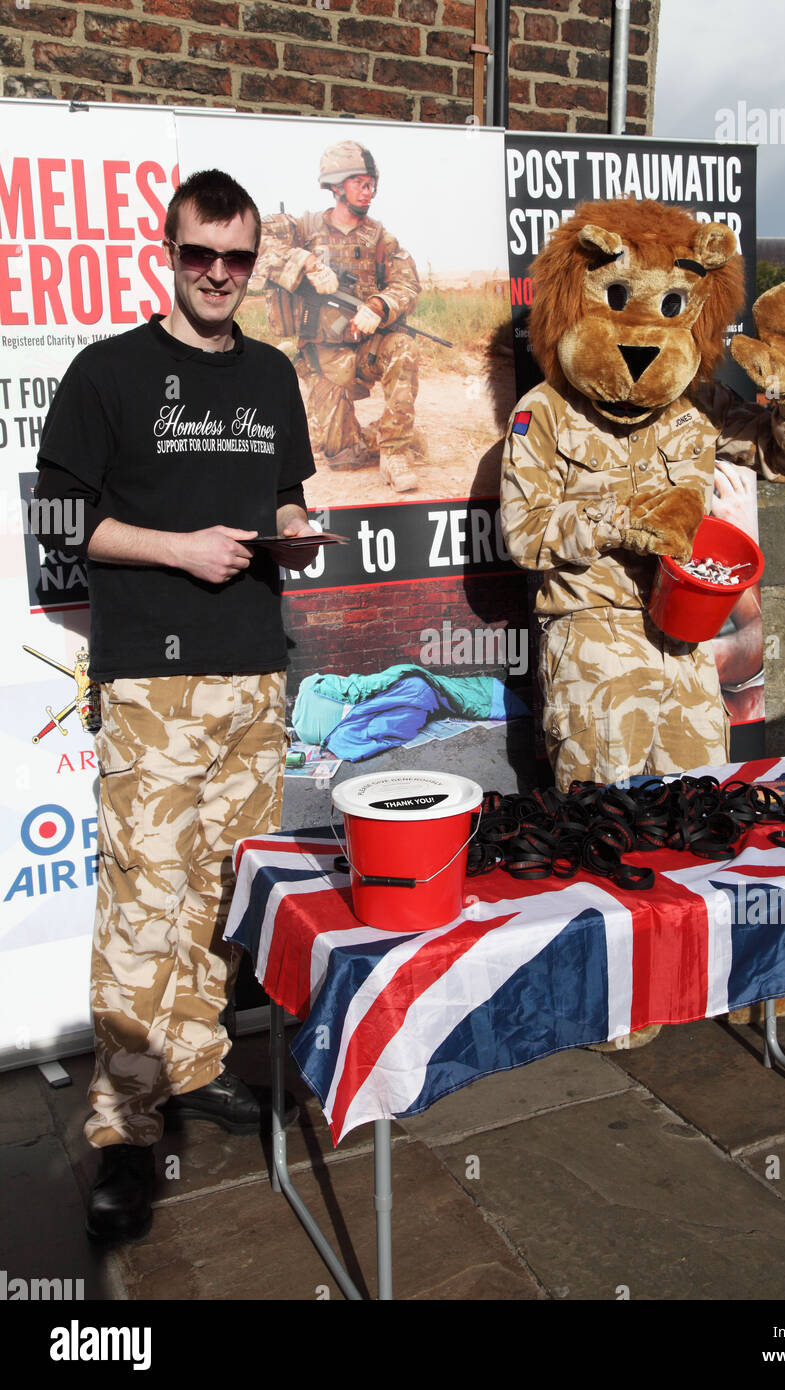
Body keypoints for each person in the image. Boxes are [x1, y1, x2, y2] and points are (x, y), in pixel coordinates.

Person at [32, 168, 324, 1243]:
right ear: (169, 250)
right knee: (140, 906)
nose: (217, 274)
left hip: (253, 667)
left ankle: (195, 1070)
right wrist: (177, 550)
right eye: (200, 253)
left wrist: (294, 527)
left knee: (221, 889)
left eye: (237, 258)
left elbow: (287, 491)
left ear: (252, 262)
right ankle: (120, 1133)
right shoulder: (108, 372)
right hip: (153, 682)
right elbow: (64, 518)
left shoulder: (273, 376)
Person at [256, 140, 423, 493]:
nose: (369, 191)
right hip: (322, 358)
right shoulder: (304, 227)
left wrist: (378, 306)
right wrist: (308, 263)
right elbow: (257, 238)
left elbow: (407, 283)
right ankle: (377, 435)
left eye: (371, 183)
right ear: (336, 186)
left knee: (404, 347)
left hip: (365, 350)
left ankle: (395, 451)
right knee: (343, 455)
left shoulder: (380, 237)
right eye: (361, 183)